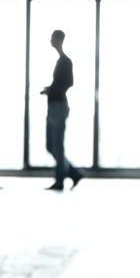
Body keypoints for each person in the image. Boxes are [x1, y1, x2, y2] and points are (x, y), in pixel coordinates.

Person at [41, 29, 84, 191]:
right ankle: (73, 173)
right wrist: (50, 89)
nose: (50, 41)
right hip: (54, 106)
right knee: (51, 146)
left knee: (57, 145)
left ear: (59, 40)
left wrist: (51, 90)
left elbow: (68, 83)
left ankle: (60, 181)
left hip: (58, 107)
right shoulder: (61, 61)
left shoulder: (65, 61)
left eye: (52, 38)